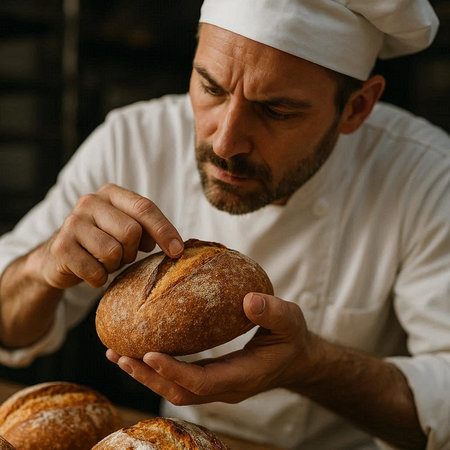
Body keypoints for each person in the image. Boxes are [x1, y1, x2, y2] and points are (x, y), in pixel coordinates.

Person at [0, 0, 448, 448]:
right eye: (211, 88)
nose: (227, 141)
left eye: (276, 111)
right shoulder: (133, 140)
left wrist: (311, 365)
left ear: (356, 108)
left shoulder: (427, 176)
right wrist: (39, 269)